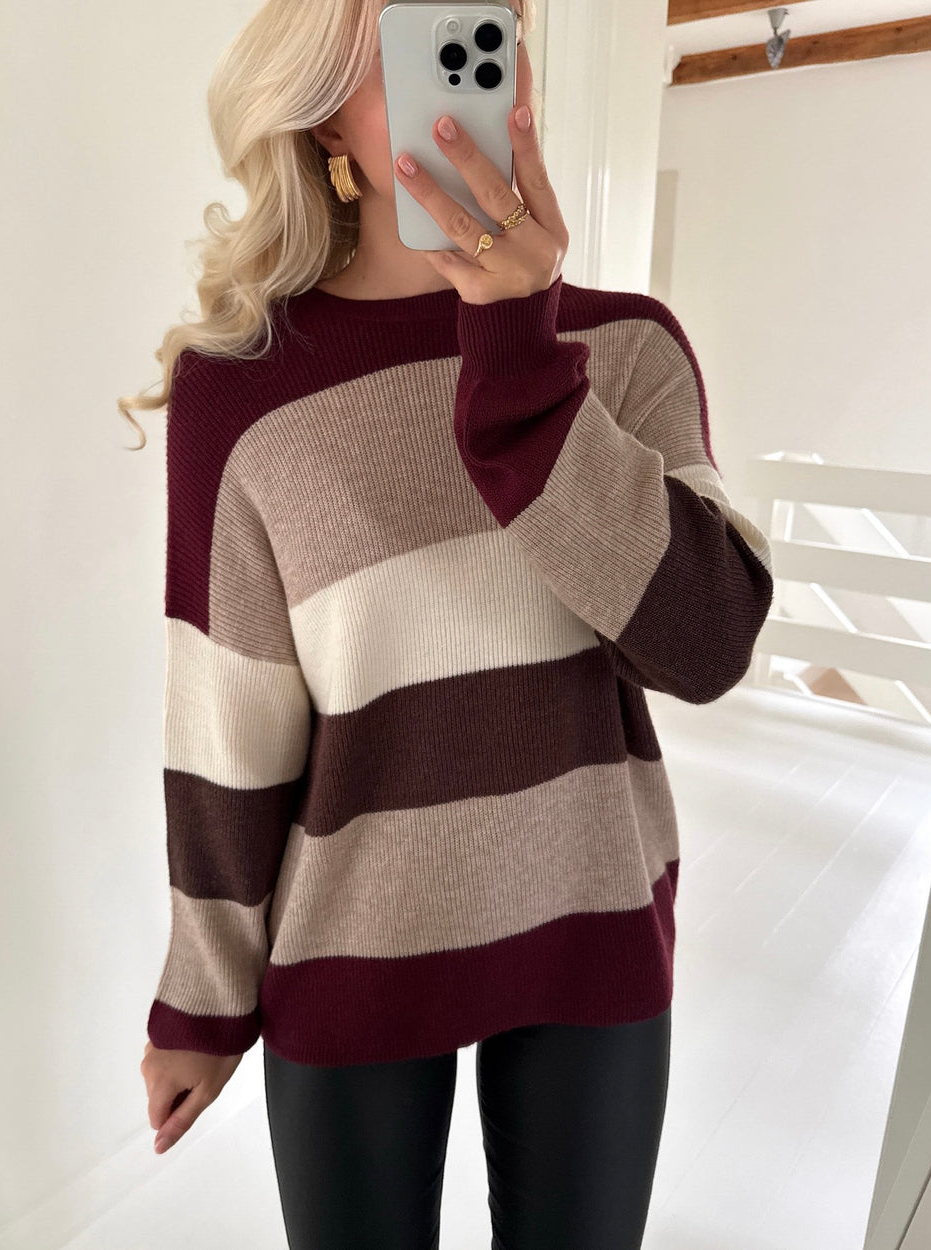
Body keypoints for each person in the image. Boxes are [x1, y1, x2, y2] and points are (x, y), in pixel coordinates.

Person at [130, 1, 775, 1246]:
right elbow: (227, 723)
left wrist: (522, 355)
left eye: (492, 23)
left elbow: (709, 643)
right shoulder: (242, 393)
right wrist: (201, 1001)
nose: (474, 71)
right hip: (354, 941)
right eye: (411, 38)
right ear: (324, 117)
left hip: (589, 914)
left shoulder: (624, 348)